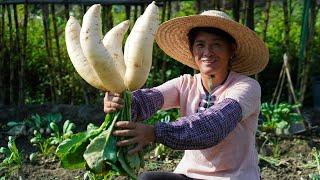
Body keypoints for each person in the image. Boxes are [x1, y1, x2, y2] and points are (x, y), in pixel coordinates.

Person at [104, 10, 269, 180]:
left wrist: (155, 133)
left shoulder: (246, 87)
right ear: (192, 50)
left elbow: (215, 124)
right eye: (200, 45)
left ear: (231, 50)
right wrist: (122, 102)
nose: (207, 52)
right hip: (190, 175)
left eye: (216, 45)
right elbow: (150, 99)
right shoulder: (186, 83)